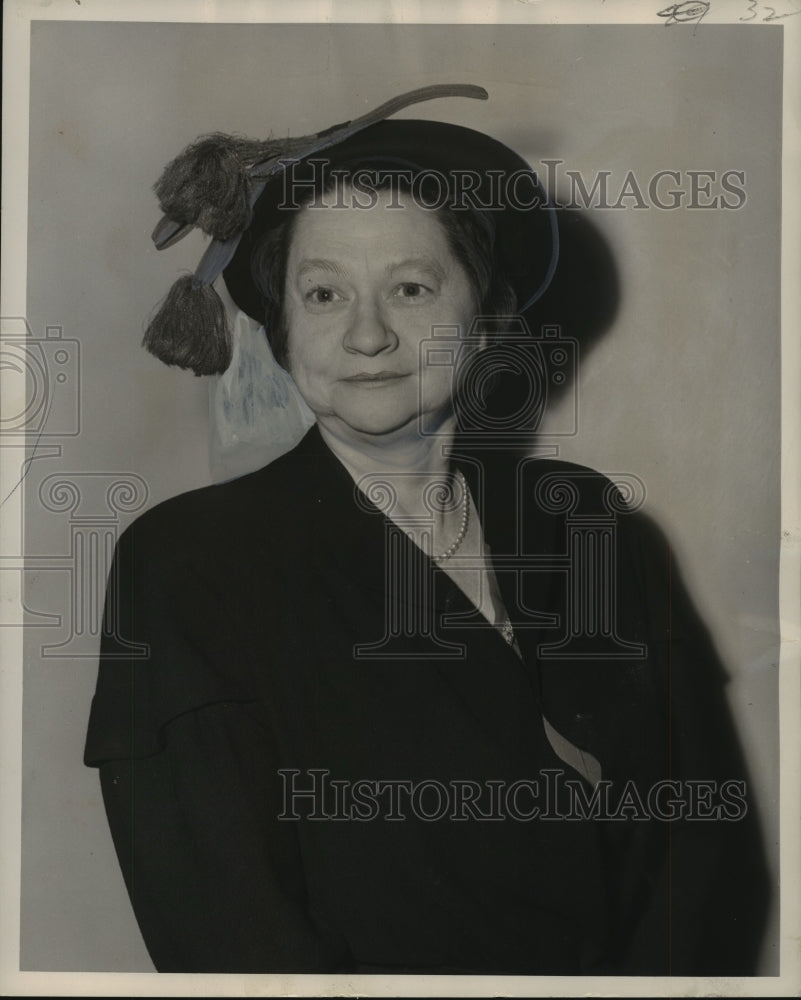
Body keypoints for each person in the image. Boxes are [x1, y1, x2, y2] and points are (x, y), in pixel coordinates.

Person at [84, 84, 770, 975]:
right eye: (324, 293)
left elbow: (699, 858)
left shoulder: (586, 525)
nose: (365, 335)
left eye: (409, 287)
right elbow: (225, 928)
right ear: (284, 327)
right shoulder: (188, 563)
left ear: (486, 317)